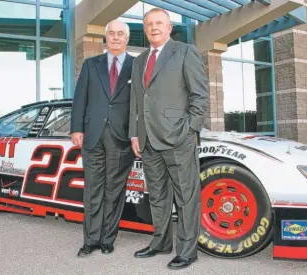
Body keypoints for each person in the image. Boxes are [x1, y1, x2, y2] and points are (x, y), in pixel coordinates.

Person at [129, 8, 209, 269]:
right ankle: (160, 243)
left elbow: (200, 96)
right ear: (145, 29)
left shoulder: (185, 52)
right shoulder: (139, 60)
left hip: (179, 138)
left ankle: (187, 251)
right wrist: (134, 134)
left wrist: (190, 130)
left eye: (159, 23)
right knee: (158, 196)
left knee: (186, 197)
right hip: (148, 140)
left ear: (169, 26)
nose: (154, 27)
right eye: (149, 24)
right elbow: (136, 102)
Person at [70, 19, 135, 257]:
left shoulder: (136, 66)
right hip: (93, 136)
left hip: (122, 138)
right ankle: (91, 241)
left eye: (120, 34)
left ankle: (108, 239)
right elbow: (80, 99)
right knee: (93, 190)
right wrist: (76, 128)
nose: (116, 37)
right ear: (105, 37)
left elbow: (140, 104)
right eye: (112, 33)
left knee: (114, 191)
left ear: (127, 39)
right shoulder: (90, 65)